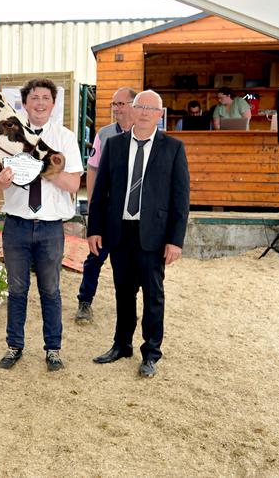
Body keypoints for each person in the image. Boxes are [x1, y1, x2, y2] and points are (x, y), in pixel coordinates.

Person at [87, 89, 190, 378]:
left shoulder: (173, 148)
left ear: (159, 115)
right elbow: (101, 192)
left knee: (153, 295)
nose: (144, 113)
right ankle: (122, 345)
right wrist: (94, 229)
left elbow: (181, 199)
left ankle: (151, 353)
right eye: (139, 107)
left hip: (154, 235)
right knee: (123, 292)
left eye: (151, 108)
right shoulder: (115, 145)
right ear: (132, 111)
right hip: (119, 232)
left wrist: (175, 240)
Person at [0, 78, 83, 372]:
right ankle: (14, 346)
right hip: (16, 225)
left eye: (46, 98)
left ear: (53, 104)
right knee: (17, 289)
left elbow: (74, 182)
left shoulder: (64, 138)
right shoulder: (8, 137)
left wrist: (45, 170)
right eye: (34, 98)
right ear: (25, 104)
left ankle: (53, 349)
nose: (40, 103)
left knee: (51, 291)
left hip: (51, 227)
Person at [75, 87, 136, 325]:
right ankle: (85, 301)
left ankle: (128, 307)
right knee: (95, 256)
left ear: (135, 104)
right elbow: (92, 169)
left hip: (133, 213)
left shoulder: (145, 133)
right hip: (108, 210)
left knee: (131, 263)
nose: (117, 109)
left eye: (122, 103)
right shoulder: (104, 134)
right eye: (114, 104)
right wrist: (92, 205)